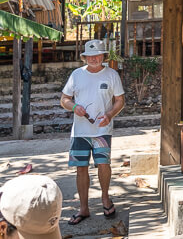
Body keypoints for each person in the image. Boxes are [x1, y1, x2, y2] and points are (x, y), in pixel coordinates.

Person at [59, 40, 124, 226]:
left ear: (104, 56)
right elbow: (64, 98)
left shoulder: (112, 75)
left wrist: (110, 114)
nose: (94, 59)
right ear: (85, 58)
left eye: (98, 55)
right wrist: (74, 107)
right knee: (81, 168)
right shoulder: (76, 75)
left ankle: (105, 199)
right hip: (79, 131)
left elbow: (120, 100)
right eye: (90, 56)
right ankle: (83, 208)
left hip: (103, 129)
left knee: (103, 164)